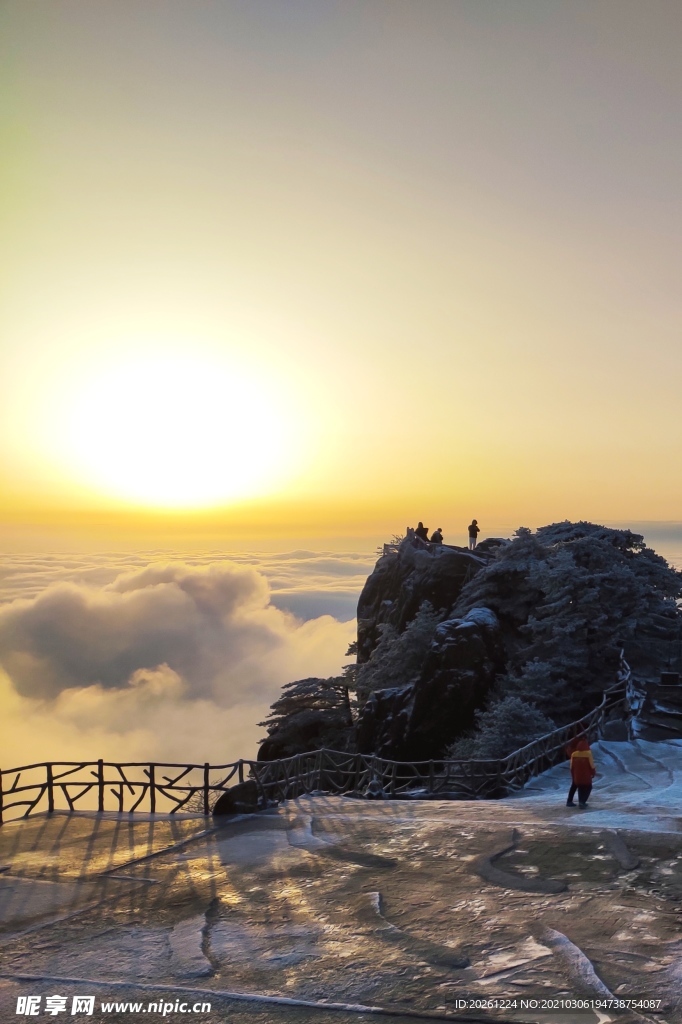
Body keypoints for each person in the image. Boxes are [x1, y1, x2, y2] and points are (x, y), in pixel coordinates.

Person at [567, 738, 596, 808]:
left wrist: (573, 776)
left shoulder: (574, 754)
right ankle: (582, 802)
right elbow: (591, 766)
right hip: (586, 776)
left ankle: (570, 801)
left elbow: (571, 767)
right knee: (588, 787)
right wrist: (593, 773)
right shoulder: (588, 754)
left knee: (577, 786)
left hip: (576, 776)